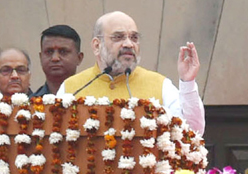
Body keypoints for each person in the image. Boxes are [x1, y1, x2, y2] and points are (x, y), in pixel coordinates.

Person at [58, 11, 205, 135]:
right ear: (97, 46)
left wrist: (188, 82)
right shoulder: (71, 88)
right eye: (118, 37)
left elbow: (193, 131)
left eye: (134, 38)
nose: (129, 44)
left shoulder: (160, 85)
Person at [32, 25, 84, 96]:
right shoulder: (29, 104)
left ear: (79, 58)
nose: (55, 58)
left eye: (63, 51)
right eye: (49, 52)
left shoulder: (95, 98)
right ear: (40, 57)